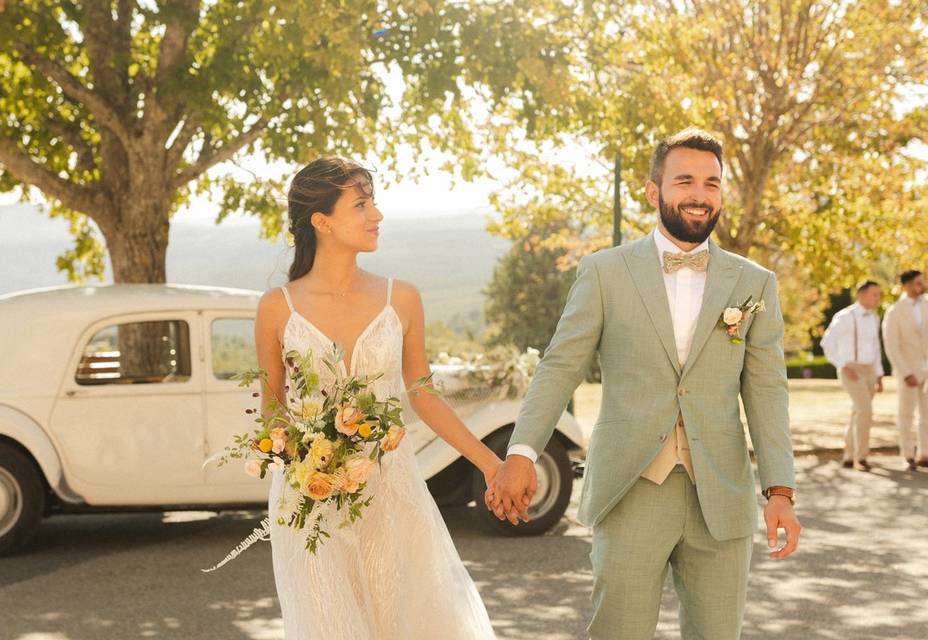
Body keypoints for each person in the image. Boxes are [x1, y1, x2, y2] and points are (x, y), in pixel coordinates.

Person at [487, 127, 799, 639]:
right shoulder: (604, 272)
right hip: (630, 488)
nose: (699, 195)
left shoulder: (754, 282)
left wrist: (780, 490)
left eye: (712, 183)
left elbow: (767, 391)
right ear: (654, 192)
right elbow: (560, 366)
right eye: (684, 181)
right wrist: (522, 451)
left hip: (721, 494)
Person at [253, 157, 498, 640]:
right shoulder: (275, 307)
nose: (377, 214)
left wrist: (491, 464)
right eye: (361, 204)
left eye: (374, 202)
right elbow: (272, 410)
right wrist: (300, 457)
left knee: (409, 618)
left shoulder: (400, 298)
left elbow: (423, 394)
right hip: (310, 502)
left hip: (392, 490)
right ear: (321, 222)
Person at [821, 280, 884, 471]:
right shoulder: (845, 317)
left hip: (870, 370)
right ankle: (861, 458)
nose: (878, 299)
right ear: (861, 295)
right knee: (865, 410)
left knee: (858, 411)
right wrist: (842, 365)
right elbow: (827, 342)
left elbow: (876, 347)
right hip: (851, 370)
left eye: (878, 295)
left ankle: (849, 455)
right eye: (874, 294)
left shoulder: (874, 318)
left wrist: (879, 375)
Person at [882, 270, 928, 471]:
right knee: (906, 415)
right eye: (918, 283)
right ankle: (908, 455)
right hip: (907, 370)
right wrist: (906, 371)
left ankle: (924, 454)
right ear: (907, 285)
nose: (922, 286)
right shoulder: (894, 311)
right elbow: (891, 345)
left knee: (927, 414)